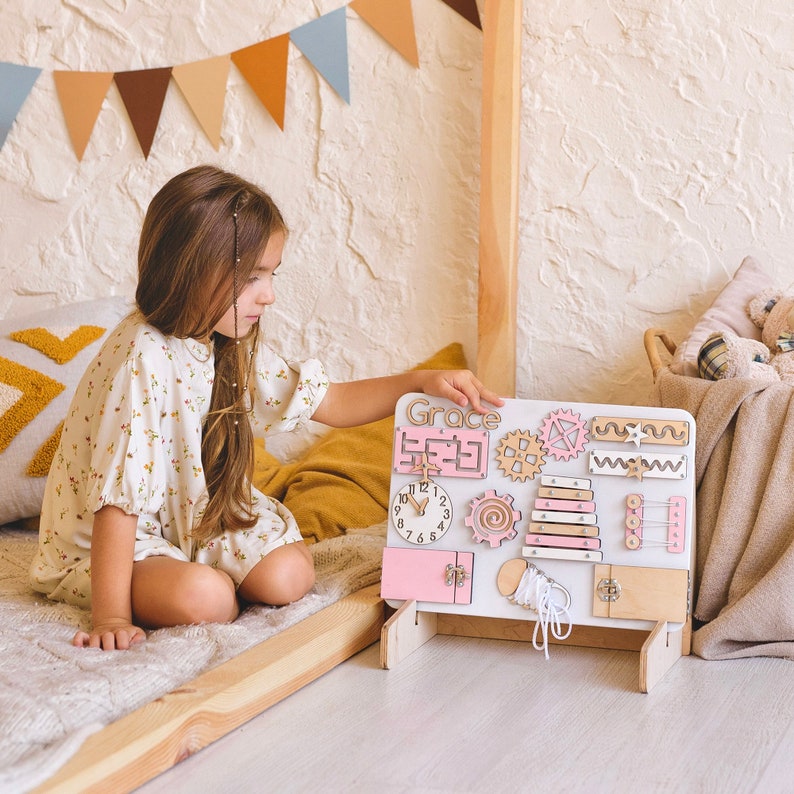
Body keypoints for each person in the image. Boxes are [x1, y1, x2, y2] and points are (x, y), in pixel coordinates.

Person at [29, 165, 504, 651]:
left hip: (193, 518)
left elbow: (331, 401)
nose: (269, 294)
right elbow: (117, 503)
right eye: (253, 276)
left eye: (271, 274)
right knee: (205, 600)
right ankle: (204, 584)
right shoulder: (141, 359)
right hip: (114, 545)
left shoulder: (223, 341)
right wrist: (110, 615)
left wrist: (419, 383)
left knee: (288, 577)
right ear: (194, 268)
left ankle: (210, 575)